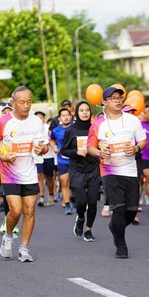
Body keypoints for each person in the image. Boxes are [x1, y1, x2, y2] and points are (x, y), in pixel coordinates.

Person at [0, 86, 48, 263]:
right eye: (21, 102)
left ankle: (24, 248)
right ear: (13, 103)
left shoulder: (37, 122)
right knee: (16, 210)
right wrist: (2, 156)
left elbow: (44, 147)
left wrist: (42, 149)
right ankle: (7, 235)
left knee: (30, 210)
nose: (26, 106)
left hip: (29, 171)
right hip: (10, 172)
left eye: (29, 102)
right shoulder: (4, 122)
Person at [87, 86, 147, 259]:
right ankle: (121, 245)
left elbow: (142, 140)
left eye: (120, 97)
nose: (118, 100)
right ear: (104, 103)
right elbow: (90, 147)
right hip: (109, 170)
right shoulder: (98, 124)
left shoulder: (132, 120)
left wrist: (135, 148)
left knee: (131, 210)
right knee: (118, 209)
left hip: (130, 169)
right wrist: (99, 153)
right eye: (113, 98)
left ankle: (115, 227)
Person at [60, 101, 100, 242]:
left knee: (93, 201)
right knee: (82, 202)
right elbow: (64, 150)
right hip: (77, 169)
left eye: (87, 110)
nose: (85, 112)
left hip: (94, 168)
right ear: (76, 113)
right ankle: (81, 218)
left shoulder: (95, 128)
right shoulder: (71, 130)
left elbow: (101, 145)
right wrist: (77, 151)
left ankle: (89, 230)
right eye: (81, 110)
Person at [50, 108, 74, 214]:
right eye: (63, 115)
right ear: (60, 118)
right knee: (65, 183)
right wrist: (54, 147)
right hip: (62, 160)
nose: (66, 117)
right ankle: (67, 205)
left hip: (76, 160)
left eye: (67, 115)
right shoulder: (56, 130)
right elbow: (51, 140)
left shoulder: (75, 128)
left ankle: (74, 201)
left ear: (71, 116)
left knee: (75, 184)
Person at [34, 111, 56, 207]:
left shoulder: (47, 128)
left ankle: (51, 194)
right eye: (37, 117)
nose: (39, 119)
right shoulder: (32, 128)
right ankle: (41, 197)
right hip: (38, 158)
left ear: (43, 118)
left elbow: (51, 140)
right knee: (39, 176)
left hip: (49, 156)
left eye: (41, 117)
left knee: (49, 178)